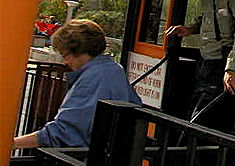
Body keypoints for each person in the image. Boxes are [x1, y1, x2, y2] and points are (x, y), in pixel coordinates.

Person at [12, 19, 141, 149]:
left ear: (80, 50)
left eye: (65, 55)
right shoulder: (113, 70)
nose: (64, 63)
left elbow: (65, 131)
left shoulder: (93, 79)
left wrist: (14, 144)